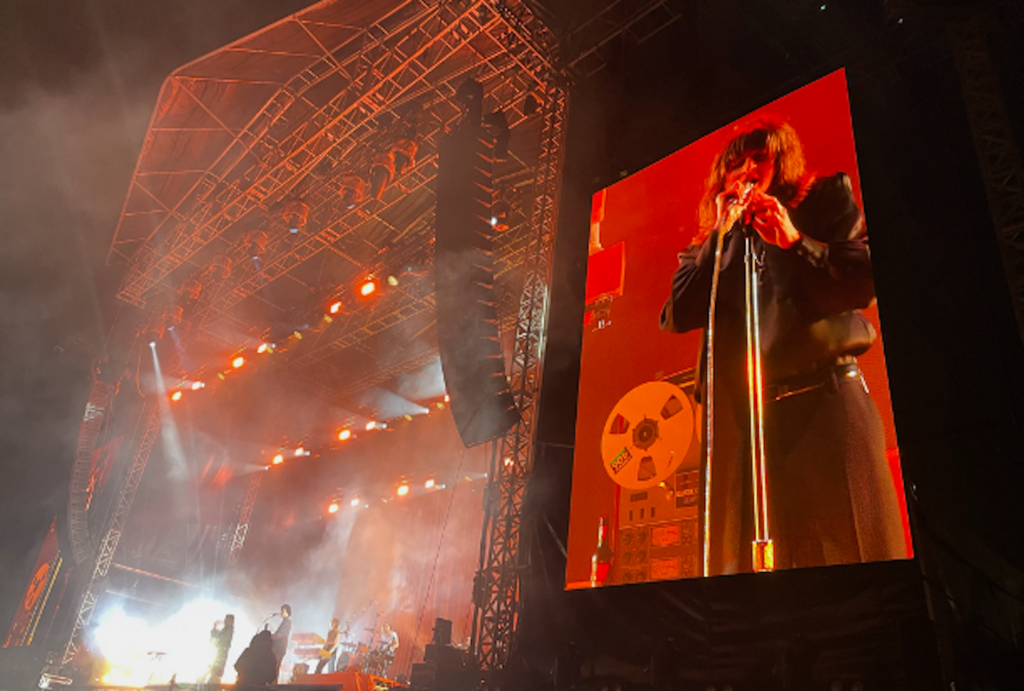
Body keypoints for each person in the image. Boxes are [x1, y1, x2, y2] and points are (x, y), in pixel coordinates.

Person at [659, 115, 907, 575]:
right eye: (735, 165)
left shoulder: (822, 201)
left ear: (780, 163)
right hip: (746, 423)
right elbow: (677, 314)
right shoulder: (706, 249)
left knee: (848, 552)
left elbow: (865, 279)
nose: (746, 171)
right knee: (750, 571)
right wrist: (718, 234)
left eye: (759, 159)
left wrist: (796, 241)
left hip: (824, 400)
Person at [206, 614, 234, 686]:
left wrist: (215, 628)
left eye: (226, 620)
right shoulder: (227, 629)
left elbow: (219, 635)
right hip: (219, 653)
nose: (224, 621)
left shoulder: (229, 630)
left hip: (221, 654)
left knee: (216, 673)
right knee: (214, 672)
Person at [271, 604, 292, 681]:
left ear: (287, 612)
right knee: (274, 666)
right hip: (278, 647)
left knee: (275, 666)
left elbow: (281, 634)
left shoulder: (287, 622)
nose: (281, 613)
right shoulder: (284, 622)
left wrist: (271, 637)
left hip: (280, 647)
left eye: (283, 611)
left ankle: (273, 684)